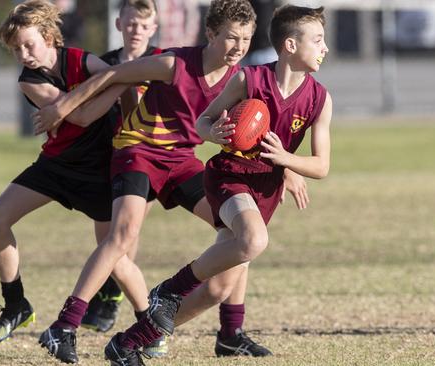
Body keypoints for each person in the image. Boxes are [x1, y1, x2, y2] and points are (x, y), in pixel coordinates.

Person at [33, 0, 278, 363]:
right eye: (231, 38)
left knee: (240, 231)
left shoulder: (237, 78)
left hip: (181, 161)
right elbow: (114, 74)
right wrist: (62, 106)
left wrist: (284, 172)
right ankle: (64, 326)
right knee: (123, 236)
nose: (240, 47)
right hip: (139, 152)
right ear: (210, 34)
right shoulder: (174, 63)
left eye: (246, 38)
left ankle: (230, 333)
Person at [103, 5, 332, 365]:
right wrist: (217, 132)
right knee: (254, 240)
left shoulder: (320, 98)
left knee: (219, 287)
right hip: (229, 176)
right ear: (290, 45)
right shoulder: (249, 80)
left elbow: (321, 166)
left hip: (265, 187)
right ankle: (169, 289)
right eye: (318, 40)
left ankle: (131, 341)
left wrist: (286, 161)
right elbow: (202, 123)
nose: (325, 48)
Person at [0, 1, 150, 356]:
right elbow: (85, 115)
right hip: (57, 166)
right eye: (15, 49)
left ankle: (149, 322)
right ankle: (16, 305)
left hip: (101, 169)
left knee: (114, 257)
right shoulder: (30, 81)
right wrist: (118, 80)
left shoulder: (82, 60)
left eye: (29, 44)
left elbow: (127, 85)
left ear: (47, 37)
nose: (24, 54)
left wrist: (123, 89)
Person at [80, 0, 162, 350]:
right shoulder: (105, 64)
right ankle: (114, 294)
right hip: (110, 158)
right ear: (119, 23)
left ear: (153, 28)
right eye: (131, 24)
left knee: (125, 233)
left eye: (144, 25)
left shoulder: (164, 62)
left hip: (149, 158)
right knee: (110, 239)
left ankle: (115, 299)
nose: (136, 30)